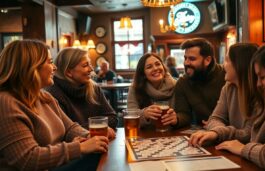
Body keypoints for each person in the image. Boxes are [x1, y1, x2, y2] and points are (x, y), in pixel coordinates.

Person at [0, 40, 109, 170]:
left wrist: (88, 136)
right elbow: (27, 158)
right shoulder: (6, 102)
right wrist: (79, 147)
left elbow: (70, 128)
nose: (55, 68)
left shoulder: (44, 97)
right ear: (31, 67)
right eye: (50, 62)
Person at [191, 41, 265, 170]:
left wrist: (241, 147)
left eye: (262, 77)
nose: (258, 84)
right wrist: (217, 132)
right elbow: (215, 119)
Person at [190, 43, 258, 145]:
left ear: (239, 65)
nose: (223, 65)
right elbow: (215, 118)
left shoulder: (260, 91)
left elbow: (249, 134)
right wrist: (217, 132)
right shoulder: (228, 87)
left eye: (226, 60)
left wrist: (218, 133)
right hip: (231, 148)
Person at [45, 48, 117, 137]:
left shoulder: (94, 88)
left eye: (90, 64)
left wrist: (89, 127)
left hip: (101, 144)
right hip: (76, 148)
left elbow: (113, 118)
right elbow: (65, 131)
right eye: (85, 65)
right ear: (69, 72)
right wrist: (98, 126)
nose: (91, 69)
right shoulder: (53, 94)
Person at [174, 38, 226, 128]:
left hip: (229, 131)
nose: (186, 63)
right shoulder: (182, 83)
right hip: (202, 134)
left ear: (207, 60)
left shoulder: (226, 76)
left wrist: (217, 124)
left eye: (192, 59)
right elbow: (184, 114)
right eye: (185, 58)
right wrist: (176, 119)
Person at [127, 53, 178, 128]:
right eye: (149, 67)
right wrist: (144, 114)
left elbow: (184, 114)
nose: (155, 68)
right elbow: (130, 115)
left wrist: (177, 118)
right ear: (143, 73)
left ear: (163, 67)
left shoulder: (176, 85)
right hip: (146, 135)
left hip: (172, 133)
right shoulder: (135, 88)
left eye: (158, 64)